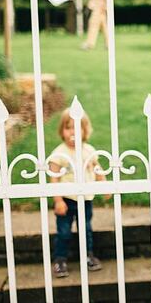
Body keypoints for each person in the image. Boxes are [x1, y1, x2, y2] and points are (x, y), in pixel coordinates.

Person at [49, 107, 106, 277]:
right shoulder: (60, 153)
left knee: (86, 229)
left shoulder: (88, 150)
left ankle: (88, 256)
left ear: (85, 130)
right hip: (67, 199)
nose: (72, 132)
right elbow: (54, 178)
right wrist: (58, 200)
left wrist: (104, 186)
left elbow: (97, 169)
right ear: (62, 131)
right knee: (64, 232)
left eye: (77, 128)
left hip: (85, 199)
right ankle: (60, 259)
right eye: (68, 128)